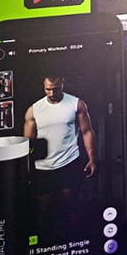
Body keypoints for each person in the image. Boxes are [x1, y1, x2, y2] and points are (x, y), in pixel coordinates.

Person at [24, 74, 97, 223]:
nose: (51, 93)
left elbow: (87, 132)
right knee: (44, 208)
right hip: (43, 166)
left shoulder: (76, 104)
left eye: (56, 89)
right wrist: (25, 169)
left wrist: (92, 159)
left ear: (63, 84)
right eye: (48, 89)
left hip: (69, 161)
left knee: (69, 205)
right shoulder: (34, 110)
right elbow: (27, 143)